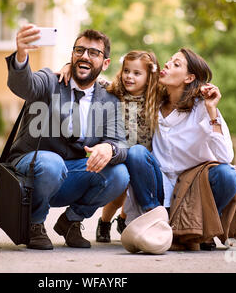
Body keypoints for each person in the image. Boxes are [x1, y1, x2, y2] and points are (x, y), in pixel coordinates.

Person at [5, 24, 130, 250]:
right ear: (72, 55)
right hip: (33, 169)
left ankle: (71, 221)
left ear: (105, 63)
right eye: (80, 50)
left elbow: (120, 142)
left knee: (119, 174)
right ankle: (35, 223)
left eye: (94, 53)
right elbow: (23, 86)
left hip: (72, 174)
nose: (85, 56)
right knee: (51, 163)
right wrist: (22, 54)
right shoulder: (50, 80)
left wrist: (109, 148)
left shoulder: (109, 99)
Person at [123, 48, 236, 250]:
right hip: (159, 185)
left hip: (194, 187)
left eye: (176, 64)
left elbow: (225, 156)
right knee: (136, 153)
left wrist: (212, 110)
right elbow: (118, 86)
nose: (167, 64)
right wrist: (69, 67)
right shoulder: (153, 100)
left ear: (189, 78)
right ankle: (156, 224)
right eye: (169, 61)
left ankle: (202, 229)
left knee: (228, 175)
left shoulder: (202, 107)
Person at [59, 50, 162, 243]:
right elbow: (87, 78)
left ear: (149, 78)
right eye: (126, 71)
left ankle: (123, 220)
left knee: (136, 195)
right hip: (119, 154)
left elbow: (176, 89)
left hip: (142, 157)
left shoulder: (155, 98)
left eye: (137, 73)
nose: (129, 76)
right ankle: (105, 222)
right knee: (119, 194)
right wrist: (67, 67)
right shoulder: (114, 91)